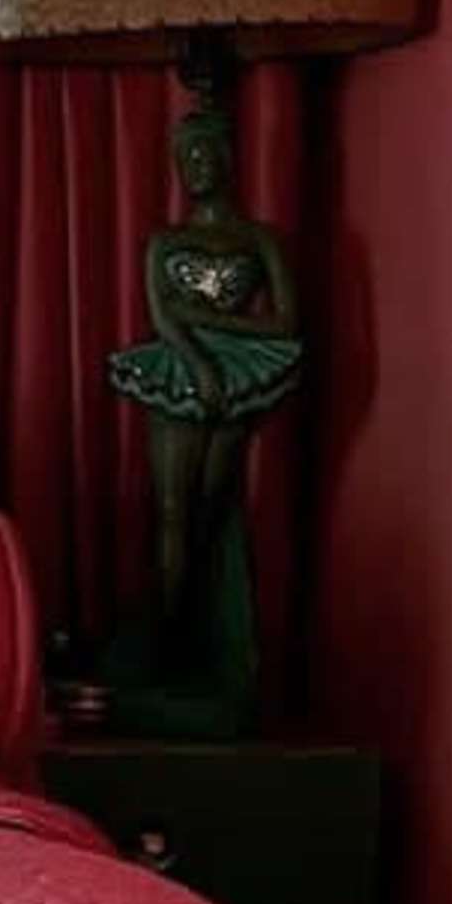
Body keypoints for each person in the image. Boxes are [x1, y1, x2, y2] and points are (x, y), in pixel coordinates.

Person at [101, 94, 301, 722]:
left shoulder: (257, 239)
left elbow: (287, 322)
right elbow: (163, 317)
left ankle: (207, 640)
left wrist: (210, 322)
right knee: (171, 510)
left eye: (205, 153)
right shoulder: (166, 241)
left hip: (240, 375)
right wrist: (200, 362)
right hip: (182, 372)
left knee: (213, 508)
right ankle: (167, 634)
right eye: (184, 156)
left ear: (228, 159)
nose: (195, 165)